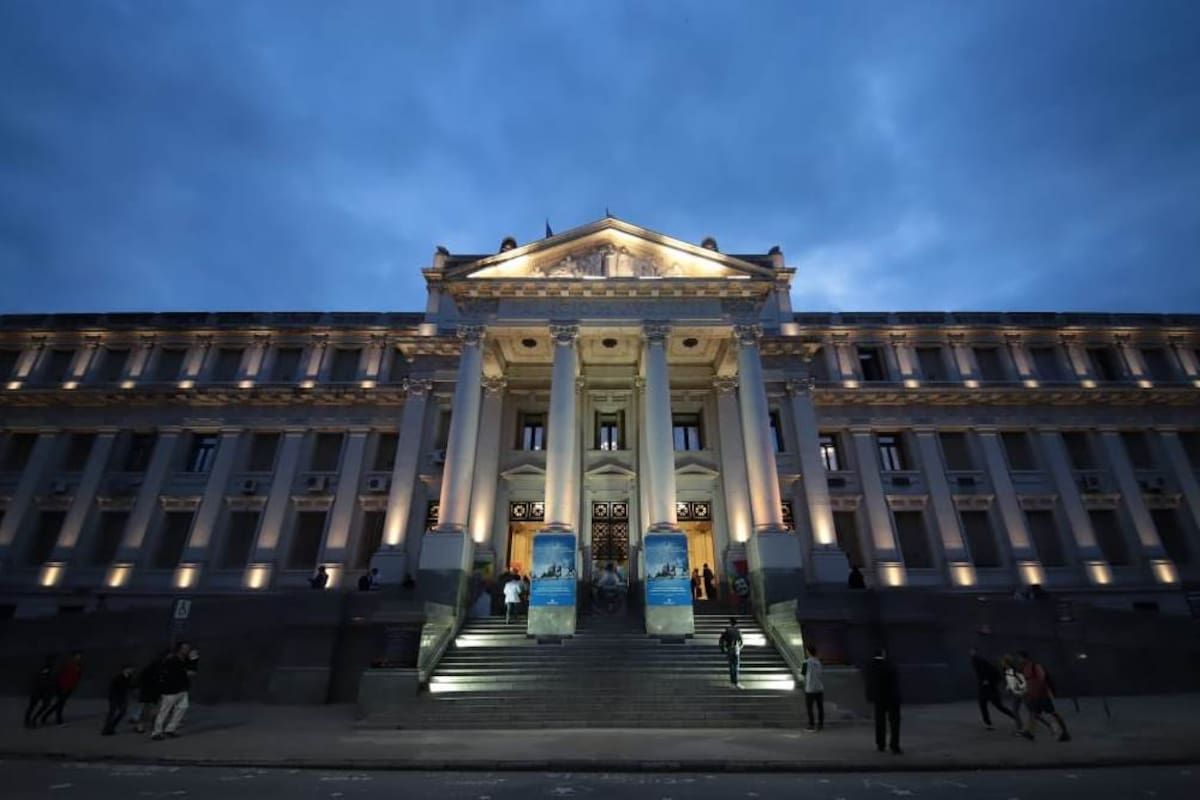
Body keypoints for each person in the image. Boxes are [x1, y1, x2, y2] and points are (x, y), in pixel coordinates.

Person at [151, 642, 200, 741]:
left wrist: (194, 659)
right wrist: (186, 672)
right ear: (179, 649)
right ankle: (156, 732)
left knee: (182, 708)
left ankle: (170, 729)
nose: (187, 650)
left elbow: (193, 671)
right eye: (185, 648)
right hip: (170, 690)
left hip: (182, 689)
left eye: (188, 648)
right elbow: (183, 673)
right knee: (164, 711)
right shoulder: (172, 660)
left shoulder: (185, 659)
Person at [1019, 651, 1071, 742]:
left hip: (1041, 695)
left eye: (1020, 658)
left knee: (1052, 713)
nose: (1019, 660)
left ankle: (1065, 732)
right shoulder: (1025, 667)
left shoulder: (1035, 666)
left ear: (1024, 658)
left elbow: (1042, 678)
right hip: (1034, 695)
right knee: (1034, 713)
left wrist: (1040, 691)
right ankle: (1030, 733)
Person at [865, 647, 901, 754]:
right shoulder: (890, 665)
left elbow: (869, 683)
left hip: (879, 698)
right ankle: (894, 745)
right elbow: (895, 681)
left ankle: (881, 744)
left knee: (880, 722)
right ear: (884, 654)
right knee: (894, 722)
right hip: (891, 698)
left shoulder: (870, 666)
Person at [971, 648, 1016, 730]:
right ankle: (988, 723)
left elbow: (998, 677)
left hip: (991, 690)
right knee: (983, 705)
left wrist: (989, 681)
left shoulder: (988, 668)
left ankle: (1015, 717)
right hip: (984, 689)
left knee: (999, 706)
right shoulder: (980, 668)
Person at [38, 650, 83, 726]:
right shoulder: (68, 664)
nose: (79, 657)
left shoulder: (78, 666)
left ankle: (50, 717)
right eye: (77, 656)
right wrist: (60, 685)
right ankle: (54, 718)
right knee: (60, 703)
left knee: (60, 703)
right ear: (73, 656)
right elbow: (61, 674)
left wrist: (73, 686)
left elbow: (76, 678)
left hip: (69, 687)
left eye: (80, 656)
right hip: (62, 686)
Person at [23, 654, 57, 728]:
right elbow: (40, 679)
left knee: (43, 705)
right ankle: (29, 721)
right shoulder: (45, 669)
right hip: (38, 691)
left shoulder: (48, 670)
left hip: (43, 691)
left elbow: (46, 679)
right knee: (33, 706)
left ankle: (31, 720)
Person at [101, 664, 135, 736]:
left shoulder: (129, 677)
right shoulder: (118, 677)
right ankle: (106, 729)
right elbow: (112, 687)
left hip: (122, 698)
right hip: (114, 697)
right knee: (112, 713)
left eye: (131, 669)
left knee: (122, 712)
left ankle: (112, 727)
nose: (131, 670)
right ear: (125, 670)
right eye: (130, 669)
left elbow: (129, 686)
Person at [802, 643, 825, 731]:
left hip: (810, 689)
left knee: (810, 708)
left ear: (808, 652)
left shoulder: (806, 662)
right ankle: (820, 725)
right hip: (819, 688)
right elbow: (821, 674)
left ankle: (811, 725)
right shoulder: (818, 662)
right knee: (820, 708)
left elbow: (803, 674)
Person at [719, 617, 744, 688]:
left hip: (729, 649)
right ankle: (736, 682)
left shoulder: (727, 631)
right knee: (736, 666)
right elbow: (741, 642)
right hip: (736, 650)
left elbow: (721, 641)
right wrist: (739, 648)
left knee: (731, 666)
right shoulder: (738, 631)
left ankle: (732, 682)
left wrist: (723, 649)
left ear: (730, 623)